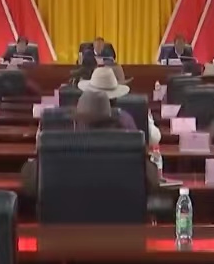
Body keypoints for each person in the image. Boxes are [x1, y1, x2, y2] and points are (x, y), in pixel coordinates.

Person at [20, 90, 160, 196]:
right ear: (111, 117)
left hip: (66, 224)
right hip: (124, 225)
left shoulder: (59, 147)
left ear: (79, 121)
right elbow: (153, 182)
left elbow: (30, 184)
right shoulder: (130, 146)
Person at [78, 66, 161, 146]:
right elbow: (152, 139)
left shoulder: (77, 122)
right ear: (115, 97)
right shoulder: (124, 119)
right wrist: (150, 120)